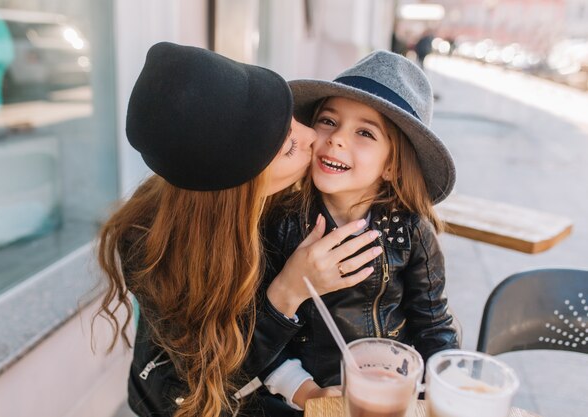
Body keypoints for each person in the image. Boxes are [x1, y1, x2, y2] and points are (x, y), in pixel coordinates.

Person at [94, 42, 382, 417]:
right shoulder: (149, 243)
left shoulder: (273, 206)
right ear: (241, 191)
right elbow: (208, 381)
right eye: (290, 145)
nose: (312, 135)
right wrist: (286, 293)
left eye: (292, 119)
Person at [258, 50, 460, 413]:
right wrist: (304, 391)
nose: (336, 139)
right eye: (328, 121)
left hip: (387, 394)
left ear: (392, 167)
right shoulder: (281, 222)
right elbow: (258, 329)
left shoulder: (410, 232)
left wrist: (444, 390)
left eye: (365, 132)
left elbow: (433, 326)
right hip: (305, 397)